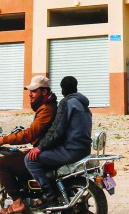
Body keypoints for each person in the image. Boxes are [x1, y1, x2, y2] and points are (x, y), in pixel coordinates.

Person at [0, 75, 57, 214]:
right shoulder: (45, 107)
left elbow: (30, 134)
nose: (30, 94)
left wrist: (4, 139)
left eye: (34, 91)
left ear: (44, 92)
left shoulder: (46, 109)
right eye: (29, 91)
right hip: (45, 149)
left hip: (46, 153)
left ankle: (17, 203)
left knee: (3, 163)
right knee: (17, 157)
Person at [24, 75, 92, 206]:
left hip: (71, 150)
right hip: (84, 149)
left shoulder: (66, 102)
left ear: (63, 89)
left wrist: (40, 147)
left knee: (30, 159)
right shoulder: (83, 104)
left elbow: (57, 130)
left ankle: (49, 195)